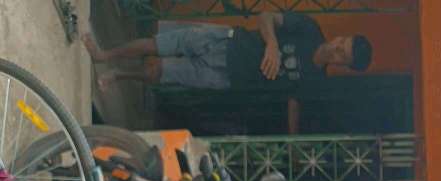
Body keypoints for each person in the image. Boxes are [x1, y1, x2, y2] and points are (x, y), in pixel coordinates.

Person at [82, 15, 373, 101]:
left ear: (343, 65)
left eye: (342, 54)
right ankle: (103, 55)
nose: (336, 47)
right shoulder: (309, 29)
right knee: (158, 45)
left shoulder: (315, 81)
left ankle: (118, 75)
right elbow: (266, 16)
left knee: (161, 72)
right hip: (226, 40)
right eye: (342, 42)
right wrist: (272, 44)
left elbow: (291, 100)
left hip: (225, 77)